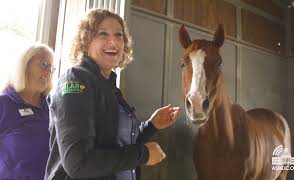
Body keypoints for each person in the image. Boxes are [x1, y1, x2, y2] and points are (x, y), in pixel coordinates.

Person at [45, 9, 180, 180]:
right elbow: (78, 163)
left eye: (119, 35)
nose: (113, 42)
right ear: (85, 42)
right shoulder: (75, 80)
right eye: (103, 34)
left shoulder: (109, 85)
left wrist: (151, 126)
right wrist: (143, 154)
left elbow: (113, 142)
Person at [0, 43, 56, 179]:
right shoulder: (4, 104)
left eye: (51, 68)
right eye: (43, 64)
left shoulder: (52, 107)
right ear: (23, 66)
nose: (48, 72)